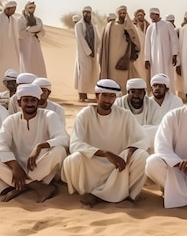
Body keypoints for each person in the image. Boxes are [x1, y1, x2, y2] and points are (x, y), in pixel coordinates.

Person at [62, 79, 150, 207]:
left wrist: (130, 150)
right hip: (93, 162)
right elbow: (75, 144)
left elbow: (144, 139)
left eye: (112, 96)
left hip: (118, 164)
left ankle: (127, 195)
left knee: (142, 156)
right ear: (97, 95)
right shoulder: (84, 115)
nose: (108, 100)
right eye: (105, 95)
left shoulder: (124, 115)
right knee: (73, 160)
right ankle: (91, 193)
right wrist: (104, 153)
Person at [0, 84, 68, 202]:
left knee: (59, 151)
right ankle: (37, 186)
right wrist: (14, 165)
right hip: (17, 167)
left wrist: (40, 146)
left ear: (38, 102)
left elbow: (63, 138)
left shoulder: (49, 115)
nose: (30, 104)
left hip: (40, 164)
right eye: (26, 100)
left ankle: (21, 187)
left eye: (33, 100)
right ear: (19, 103)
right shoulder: (11, 120)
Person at [99, 5, 141, 93]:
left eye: (124, 13)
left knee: (124, 78)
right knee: (112, 76)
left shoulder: (129, 27)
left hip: (124, 57)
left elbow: (136, 41)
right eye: (120, 13)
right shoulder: (110, 26)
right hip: (111, 57)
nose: (122, 15)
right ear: (117, 14)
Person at [116, 77, 163, 151]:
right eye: (133, 92)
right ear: (128, 92)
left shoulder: (152, 105)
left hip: (145, 145)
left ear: (144, 93)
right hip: (123, 142)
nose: (136, 95)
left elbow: (158, 128)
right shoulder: (119, 103)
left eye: (139, 92)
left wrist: (139, 133)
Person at [144, 8, 180, 93]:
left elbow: (174, 40)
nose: (151, 16)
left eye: (152, 14)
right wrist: (147, 59)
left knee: (167, 75)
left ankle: (169, 93)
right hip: (154, 59)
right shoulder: (150, 28)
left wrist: (175, 54)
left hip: (166, 57)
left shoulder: (167, 25)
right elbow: (147, 44)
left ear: (157, 15)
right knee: (155, 76)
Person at [0, 1, 20, 92]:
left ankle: (11, 88)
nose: (14, 11)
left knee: (12, 67)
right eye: (13, 9)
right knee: (0, 69)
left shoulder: (13, 19)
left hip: (11, 50)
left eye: (15, 9)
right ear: (7, 8)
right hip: (1, 49)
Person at [74, 6, 99, 102]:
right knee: (83, 74)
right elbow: (81, 40)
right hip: (83, 54)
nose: (86, 14)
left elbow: (97, 39)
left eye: (88, 13)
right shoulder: (79, 25)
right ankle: (82, 94)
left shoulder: (93, 25)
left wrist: (98, 49)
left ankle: (88, 93)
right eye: (84, 12)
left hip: (92, 54)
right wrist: (89, 52)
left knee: (91, 73)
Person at [17, 1, 47, 77]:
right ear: (26, 8)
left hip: (35, 44)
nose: (32, 10)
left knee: (38, 63)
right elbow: (18, 33)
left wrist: (37, 32)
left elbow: (43, 32)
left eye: (33, 8)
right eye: (30, 8)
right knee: (26, 64)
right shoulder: (20, 20)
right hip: (25, 45)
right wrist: (29, 31)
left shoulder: (38, 20)